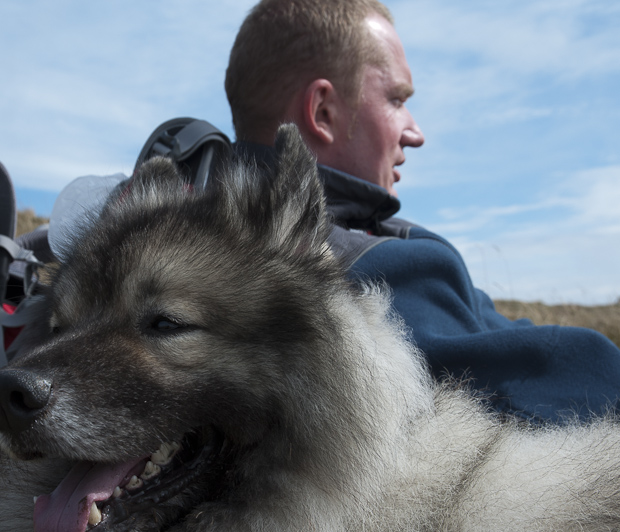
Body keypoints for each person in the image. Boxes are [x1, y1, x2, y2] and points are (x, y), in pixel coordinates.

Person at [224, 0, 620, 423]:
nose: (415, 132)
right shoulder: (385, 269)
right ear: (323, 112)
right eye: (396, 99)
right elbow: (580, 378)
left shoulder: (188, 238)